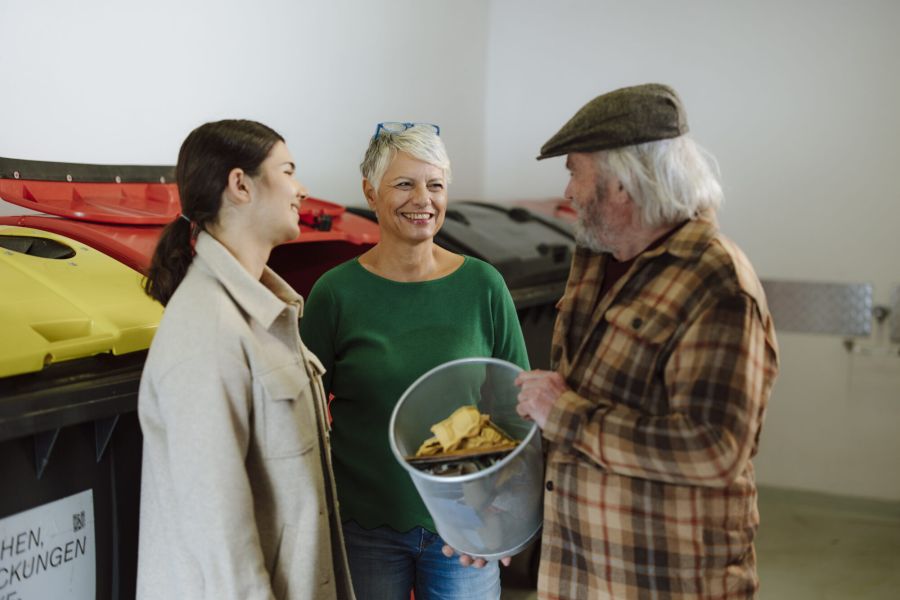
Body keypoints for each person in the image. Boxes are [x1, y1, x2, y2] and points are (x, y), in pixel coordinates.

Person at [511, 84, 780, 598]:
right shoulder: (594, 259)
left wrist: (564, 412)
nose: (568, 191)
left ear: (620, 183)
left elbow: (713, 448)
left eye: (575, 171)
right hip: (578, 571)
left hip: (665, 579)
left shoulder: (716, 281)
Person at [300, 122, 530, 600]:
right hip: (365, 526)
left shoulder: (482, 286)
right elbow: (302, 412)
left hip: (465, 528)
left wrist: (503, 507)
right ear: (370, 190)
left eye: (436, 185)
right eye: (404, 183)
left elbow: (515, 406)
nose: (422, 199)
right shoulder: (336, 293)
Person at [137, 119, 354, 599]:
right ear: (240, 185)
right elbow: (218, 535)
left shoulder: (267, 311)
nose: (301, 189)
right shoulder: (207, 329)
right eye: (288, 171)